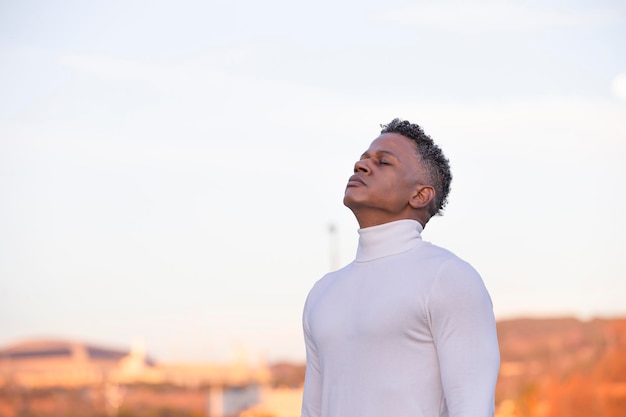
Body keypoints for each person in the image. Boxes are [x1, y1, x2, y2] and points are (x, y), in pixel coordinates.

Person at [301, 119, 500, 417]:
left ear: (420, 195)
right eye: (364, 158)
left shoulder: (448, 278)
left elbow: (472, 408)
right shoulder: (322, 293)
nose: (361, 165)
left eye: (384, 162)